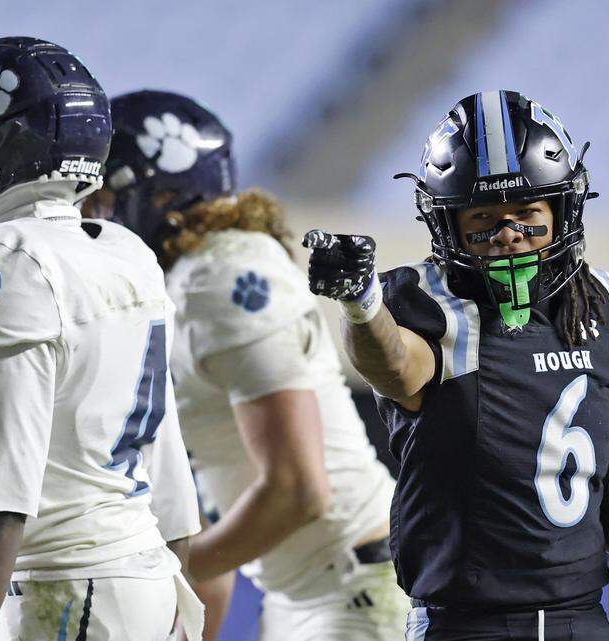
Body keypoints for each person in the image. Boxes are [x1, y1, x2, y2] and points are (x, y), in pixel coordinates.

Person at [303, 90, 609, 640]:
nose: (509, 235)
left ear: (563, 212)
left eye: (527, 213)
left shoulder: (605, 306)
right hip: (465, 624)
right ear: (448, 227)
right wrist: (361, 302)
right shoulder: (435, 306)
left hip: (580, 618)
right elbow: (395, 368)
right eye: (483, 219)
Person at [82, 90, 409, 640]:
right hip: (312, 590)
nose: (90, 217)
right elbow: (209, 512)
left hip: (355, 586)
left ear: (159, 192)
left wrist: (165, 575)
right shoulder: (184, 283)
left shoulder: (220, 279)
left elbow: (299, 489)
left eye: (101, 198)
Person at [0, 38, 202, 641]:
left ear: (1, 149)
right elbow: (171, 485)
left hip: (66, 588)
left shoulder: (6, 262)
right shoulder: (125, 250)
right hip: (146, 575)